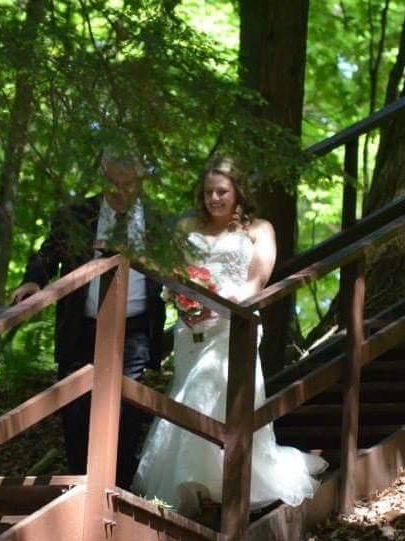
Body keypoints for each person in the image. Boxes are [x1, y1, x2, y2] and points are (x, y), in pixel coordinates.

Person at [132, 157, 327, 518]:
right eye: (208, 192)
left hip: (232, 326)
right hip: (190, 328)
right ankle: (196, 487)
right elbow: (172, 272)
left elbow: (258, 281)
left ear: (238, 191)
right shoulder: (188, 225)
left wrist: (221, 305)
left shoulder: (259, 229)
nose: (214, 198)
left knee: (210, 392)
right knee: (186, 397)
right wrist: (184, 300)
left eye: (222, 191)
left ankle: (218, 484)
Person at [9, 152, 166, 488]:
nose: (119, 192)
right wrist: (34, 280)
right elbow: (48, 253)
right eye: (112, 183)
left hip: (135, 331)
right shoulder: (76, 214)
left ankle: (117, 490)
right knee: (77, 414)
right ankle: (81, 487)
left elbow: (177, 269)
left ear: (140, 182)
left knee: (126, 414)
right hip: (81, 329)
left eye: (127, 184)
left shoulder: (159, 222)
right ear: (102, 178)